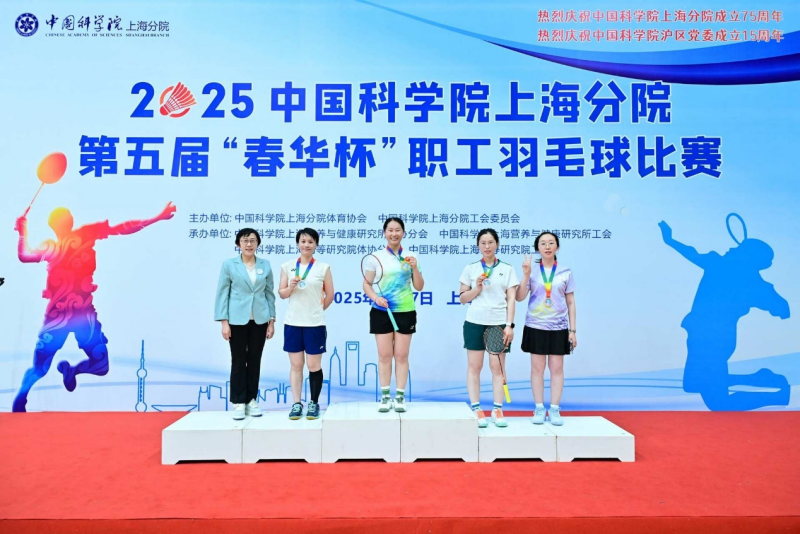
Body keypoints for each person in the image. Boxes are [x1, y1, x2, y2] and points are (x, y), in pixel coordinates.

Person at [12, 203, 176, 413]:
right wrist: (156, 218)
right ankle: (23, 397)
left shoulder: (62, 243)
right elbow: (123, 228)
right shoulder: (70, 240)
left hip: (72, 316)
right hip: (69, 315)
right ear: (67, 222)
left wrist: (23, 231)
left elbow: (25, 254)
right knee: (67, 366)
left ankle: (67, 374)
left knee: (88, 366)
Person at [362, 217, 424, 412]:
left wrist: (415, 267)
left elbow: (419, 286)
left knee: (402, 355)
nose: (394, 233)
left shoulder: (410, 256)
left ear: (403, 233)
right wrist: (376, 298)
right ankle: (385, 397)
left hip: (405, 310)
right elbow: (367, 284)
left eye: (398, 230)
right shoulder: (375, 257)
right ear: (384, 233)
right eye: (390, 230)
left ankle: (400, 397)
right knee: (384, 355)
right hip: (382, 311)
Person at [459, 229, 519, 428]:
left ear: (497, 244)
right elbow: (463, 298)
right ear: (478, 245)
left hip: (498, 324)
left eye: (491, 242)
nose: (487, 246)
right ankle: (477, 408)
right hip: (474, 322)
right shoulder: (471, 268)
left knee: (497, 367)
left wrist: (509, 325)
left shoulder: (508, 269)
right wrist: (476, 288)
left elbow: (512, 299)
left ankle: (497, 409)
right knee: (474, 367)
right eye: (483, 243)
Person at [214, 228, 276, 420]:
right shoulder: (229, 264)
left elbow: (269, 294)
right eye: (245, 240)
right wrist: (224, 322)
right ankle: (239, 402)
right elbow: (222, 293)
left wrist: (271, 320)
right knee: (239, 360)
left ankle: (251, 400)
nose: (249, 244)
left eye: (253, 240)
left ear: (258, 243)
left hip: (260, 320)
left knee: (255, 360)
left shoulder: (265, 265)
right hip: (236, 320)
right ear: (238, 243)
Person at [516, 232, 576, 426]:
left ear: (557, 246)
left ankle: (555, 409)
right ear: (538, 248)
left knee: (557, 368)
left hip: (559, 326)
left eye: (551, 243)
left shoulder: (565, 272)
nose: (547, 246)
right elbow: (519, 297)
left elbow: (571, 302)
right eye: (543, 243)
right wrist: (525, 275)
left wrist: (573, 331)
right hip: (536, 325)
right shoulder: (532, 271)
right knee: (537, 369)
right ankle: (539, 408)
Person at [278, 228, 334, 420]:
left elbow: (330, 295)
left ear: (316, 244)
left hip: (315, 324)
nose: (306, 245)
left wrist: (317, 311)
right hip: (293, 323)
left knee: (313, 365)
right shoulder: (287, 266)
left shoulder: (323, 267)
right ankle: (296, 403)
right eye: (303, 241)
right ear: (298, 243)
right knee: (296, 365)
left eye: (310, 242)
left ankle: (314, 403)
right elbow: (282, 293)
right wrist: (290, 287)